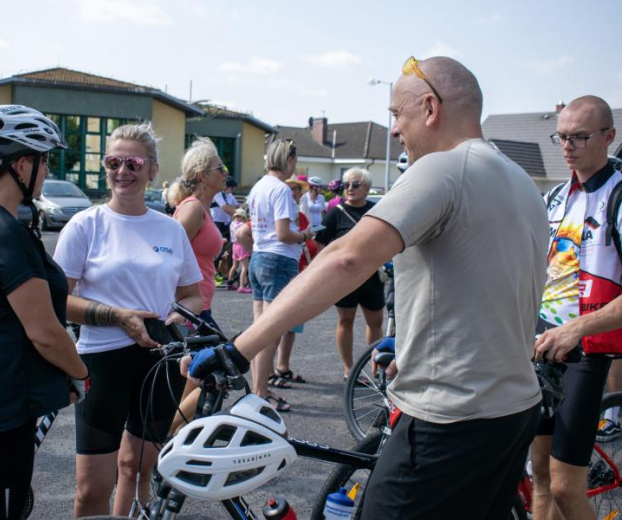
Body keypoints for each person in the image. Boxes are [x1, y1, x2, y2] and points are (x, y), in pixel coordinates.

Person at [186, 56, 548, 518]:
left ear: (431, 108)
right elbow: (489, 286)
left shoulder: (441, 170)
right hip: (512, 412)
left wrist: (239, 348)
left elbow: (347, 257)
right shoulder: (520, 181)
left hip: (448, 417)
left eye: (397, 114)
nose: (394, 129)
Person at [0, 105, 89, 519]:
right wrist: (80, 372)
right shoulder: (0, 230)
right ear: (22, 163)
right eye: (44, 162)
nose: (46, 173)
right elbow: (44, 330)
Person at [53, 123, 203, 517]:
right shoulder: (86, 225)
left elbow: (193, 294)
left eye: (133, 162)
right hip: (101, 361)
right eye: (113, 161)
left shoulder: (170, 229)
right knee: (91, 488)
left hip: (160, 360)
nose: (123, 170)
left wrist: (179, 318)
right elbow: (55, 300)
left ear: (152, 169)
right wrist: (117, 317)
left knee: (137, 468)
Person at [531, 95, 622, 520]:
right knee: (540, 477)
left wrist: (578, 329)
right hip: (544, 340)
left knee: (567, 489)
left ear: (609, 136)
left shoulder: (618, 195)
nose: (567, 146)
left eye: (579, 137)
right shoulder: (555, 196)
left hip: (587, 350)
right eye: (561, 137)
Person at [244, 139, 313, 412]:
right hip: (279, 259)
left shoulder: (258, 187)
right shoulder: (281, 191)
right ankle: (261, 392)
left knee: (259, 328)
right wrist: (306, 235)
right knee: (270, 331)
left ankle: (258, 389)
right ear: (289, 159)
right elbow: (284, 234)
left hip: (260, 257)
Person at [315, 168, 384, 380]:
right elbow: (320, 243)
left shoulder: (376, 211)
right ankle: (349, 369)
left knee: (376, 322)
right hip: (344, 277)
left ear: (367, 188)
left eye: (355, 185)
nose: (350, 189)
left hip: (371, 276)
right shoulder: (336, 213)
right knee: (346, 321)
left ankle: (377, 366)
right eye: (347, 185)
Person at [168, 137, 225, 329]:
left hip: (199, 306)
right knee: (225, 358)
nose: (225, 173)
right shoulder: (193, 208)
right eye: (220, 168)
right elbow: (169, 254)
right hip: (189, 309)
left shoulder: (202, 208)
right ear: (203, 176)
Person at [269, 175, 318, 390]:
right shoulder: (278, 212)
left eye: (298, 189)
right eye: (291, 188)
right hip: (283, 268)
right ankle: (268, 371)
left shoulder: (301, 216)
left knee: (293, 325)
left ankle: (283, 366)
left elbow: (310, 240)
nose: (295, 192)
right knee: (275, 323)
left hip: (299, 271)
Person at [211, 177, 239, 285]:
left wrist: (239, 210)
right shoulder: (218, 194)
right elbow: (225, 208)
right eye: (231, 188)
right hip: (216, 222)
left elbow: (236, 206)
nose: (232, 191)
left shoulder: (229, 196)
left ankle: (227, 270)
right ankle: (214, 270)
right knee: (219, 247)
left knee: (230, 246)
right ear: (226, 187)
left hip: (225, 223)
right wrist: (239, 215)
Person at [229, 208, 252, 294]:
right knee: (244, 267)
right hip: (241, 245)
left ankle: (229, 283)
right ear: (242, 217)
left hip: (234, 245)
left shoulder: (231, 224)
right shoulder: (242, 224)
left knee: (234, 265)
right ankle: (242, 286)